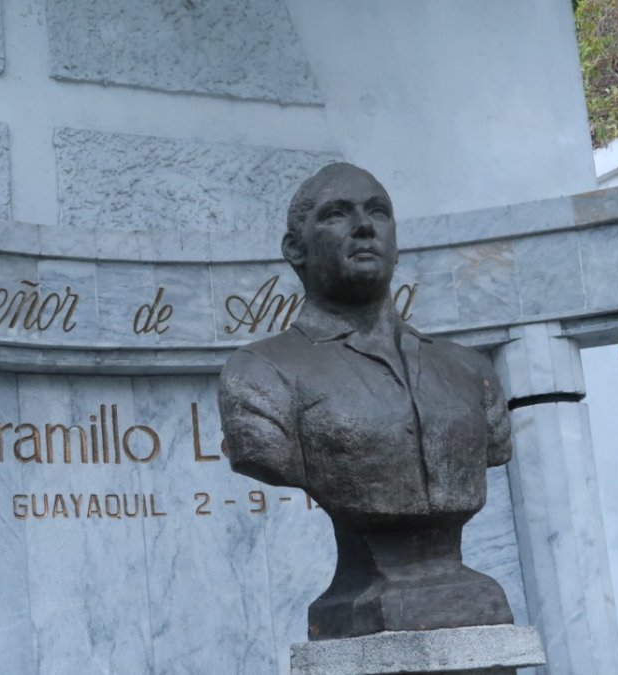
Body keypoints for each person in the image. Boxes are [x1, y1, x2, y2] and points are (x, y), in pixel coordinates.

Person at [218, 162, 515, 640]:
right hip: (356, 601)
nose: (364, 226)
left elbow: (496, 449)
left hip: (475, 601)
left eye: (378, 211)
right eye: (337, 214)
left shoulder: (469, 370)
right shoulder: (260, 372)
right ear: (296, 249)